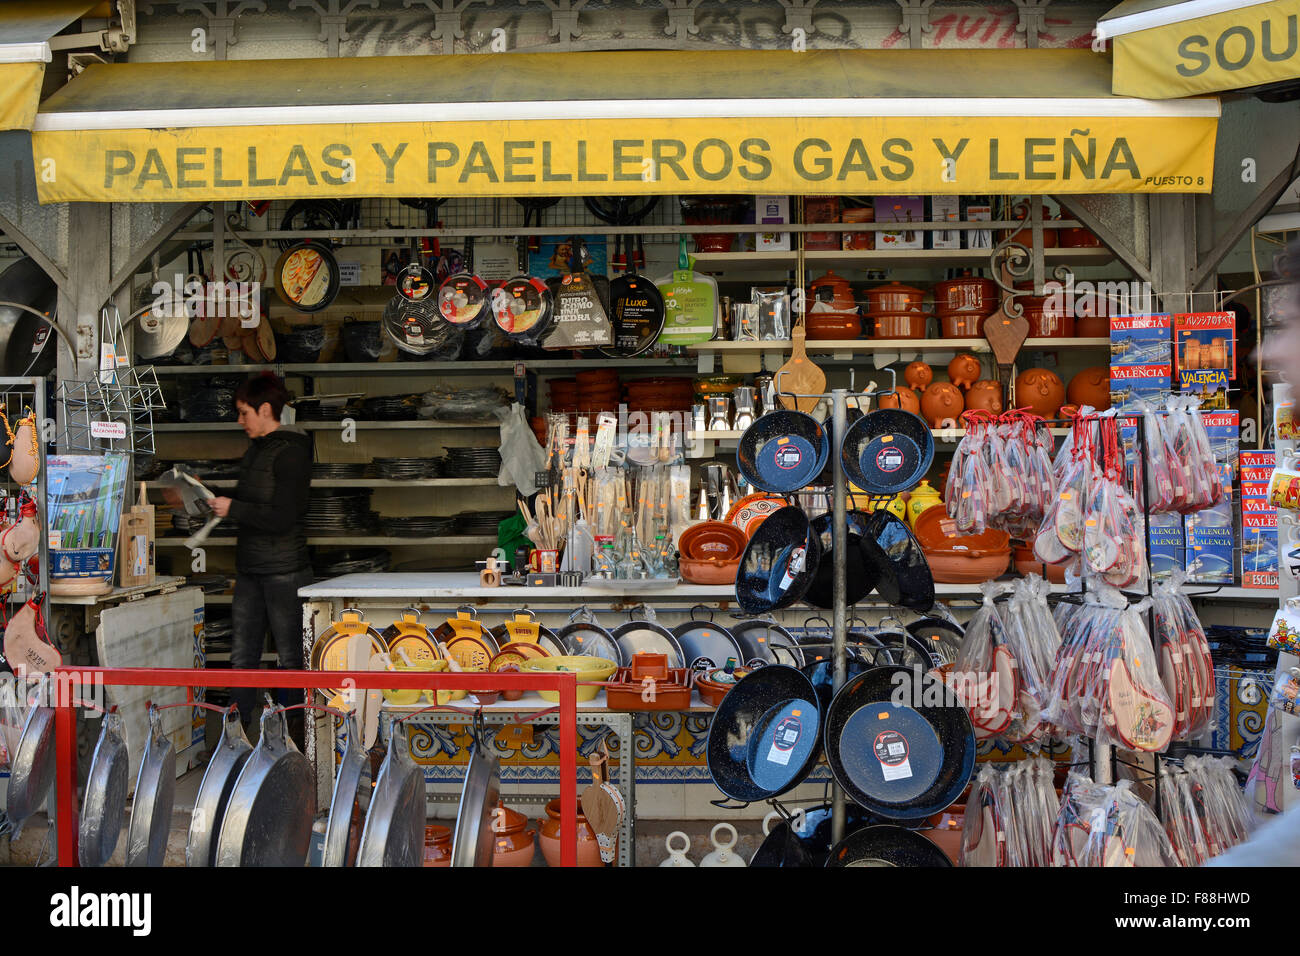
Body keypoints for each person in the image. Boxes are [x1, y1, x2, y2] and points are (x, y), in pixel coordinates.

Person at [209, 373, 313, 734]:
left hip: (285, 571)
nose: (240, 421)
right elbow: (250, 499)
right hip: (251, 569)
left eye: (243, 413)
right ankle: (236, 736)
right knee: (242, 657)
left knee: (290, 658)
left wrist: (232, 508)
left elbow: (283, 518)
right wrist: (207, 495)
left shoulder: (292, 453)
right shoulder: (258, 449)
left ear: (265, 409)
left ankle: (289, 737)